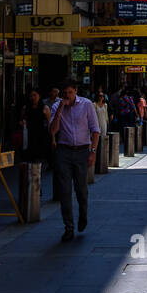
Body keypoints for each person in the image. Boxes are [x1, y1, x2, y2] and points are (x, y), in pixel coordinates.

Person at [50, 79, 100, 242]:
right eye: (64, 94)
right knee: (64, 191)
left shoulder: (86, 105)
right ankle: (68, 227)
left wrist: (92, 152)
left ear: (75, 91)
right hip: (64, 151)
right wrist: (60, 110)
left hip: (82, 151)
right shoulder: (57, 107)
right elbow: (53, 130)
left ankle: (83, 215)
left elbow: (95, 130)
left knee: (81, 189)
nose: (67, 96)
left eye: (70, 93)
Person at [21, 87, 52, 165]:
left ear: (39, 96)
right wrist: (23, 123)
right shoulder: (26, 107)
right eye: (31, 96)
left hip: (41, 135)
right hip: (28, 134)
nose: (33, 97)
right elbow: (21, 119)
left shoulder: (45, 108)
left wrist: (52, 138)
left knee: (39, 159)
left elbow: (50, 123)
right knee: (29, 158)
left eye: (35, 95)